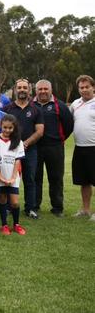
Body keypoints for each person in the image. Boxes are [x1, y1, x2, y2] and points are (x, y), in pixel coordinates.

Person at [4, 78, 44, 219]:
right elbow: (3, 129)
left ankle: (30, 208)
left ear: (29, 90)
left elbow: (39, 131)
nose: (22, 90)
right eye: (19, 87)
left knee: (30, 179)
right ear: (15, 90)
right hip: (10, 150)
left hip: (30, 150)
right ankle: (8, 207)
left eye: (24, 88)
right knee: (9, 178)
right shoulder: (7, 109)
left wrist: (25, 143)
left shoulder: (36, 109)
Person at [33, 79, 73, 217]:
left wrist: (59, 139)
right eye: (40, 89)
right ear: (36, 90)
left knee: (56, 178)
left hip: (54, 147)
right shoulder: (31, 105)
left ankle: (57, 208)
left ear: (51, 90)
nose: (43, 91)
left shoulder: (60, 106)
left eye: (45, 89)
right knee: (35, 178)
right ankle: (34, 206)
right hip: (35, 148)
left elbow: (68, 125)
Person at [0, 114, 27, 235]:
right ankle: (4, 225)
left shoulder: (18, 142)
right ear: (1, 126)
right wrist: (0, 177)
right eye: (5, 127)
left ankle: (16, 224)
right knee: (2, 199)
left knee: (14, 202)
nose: (7, 130)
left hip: (13, 176)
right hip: (0, 175)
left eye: (10, 128)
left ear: (14, 128)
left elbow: (18, 161)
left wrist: (13, 177)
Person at [70, 75, 95, 221]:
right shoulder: (75, 104)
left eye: (87, 87)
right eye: (81, 87)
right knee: (84, 181)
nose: (84, 90)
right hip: (80, 148)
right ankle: (86, 210)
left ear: (93, 87)